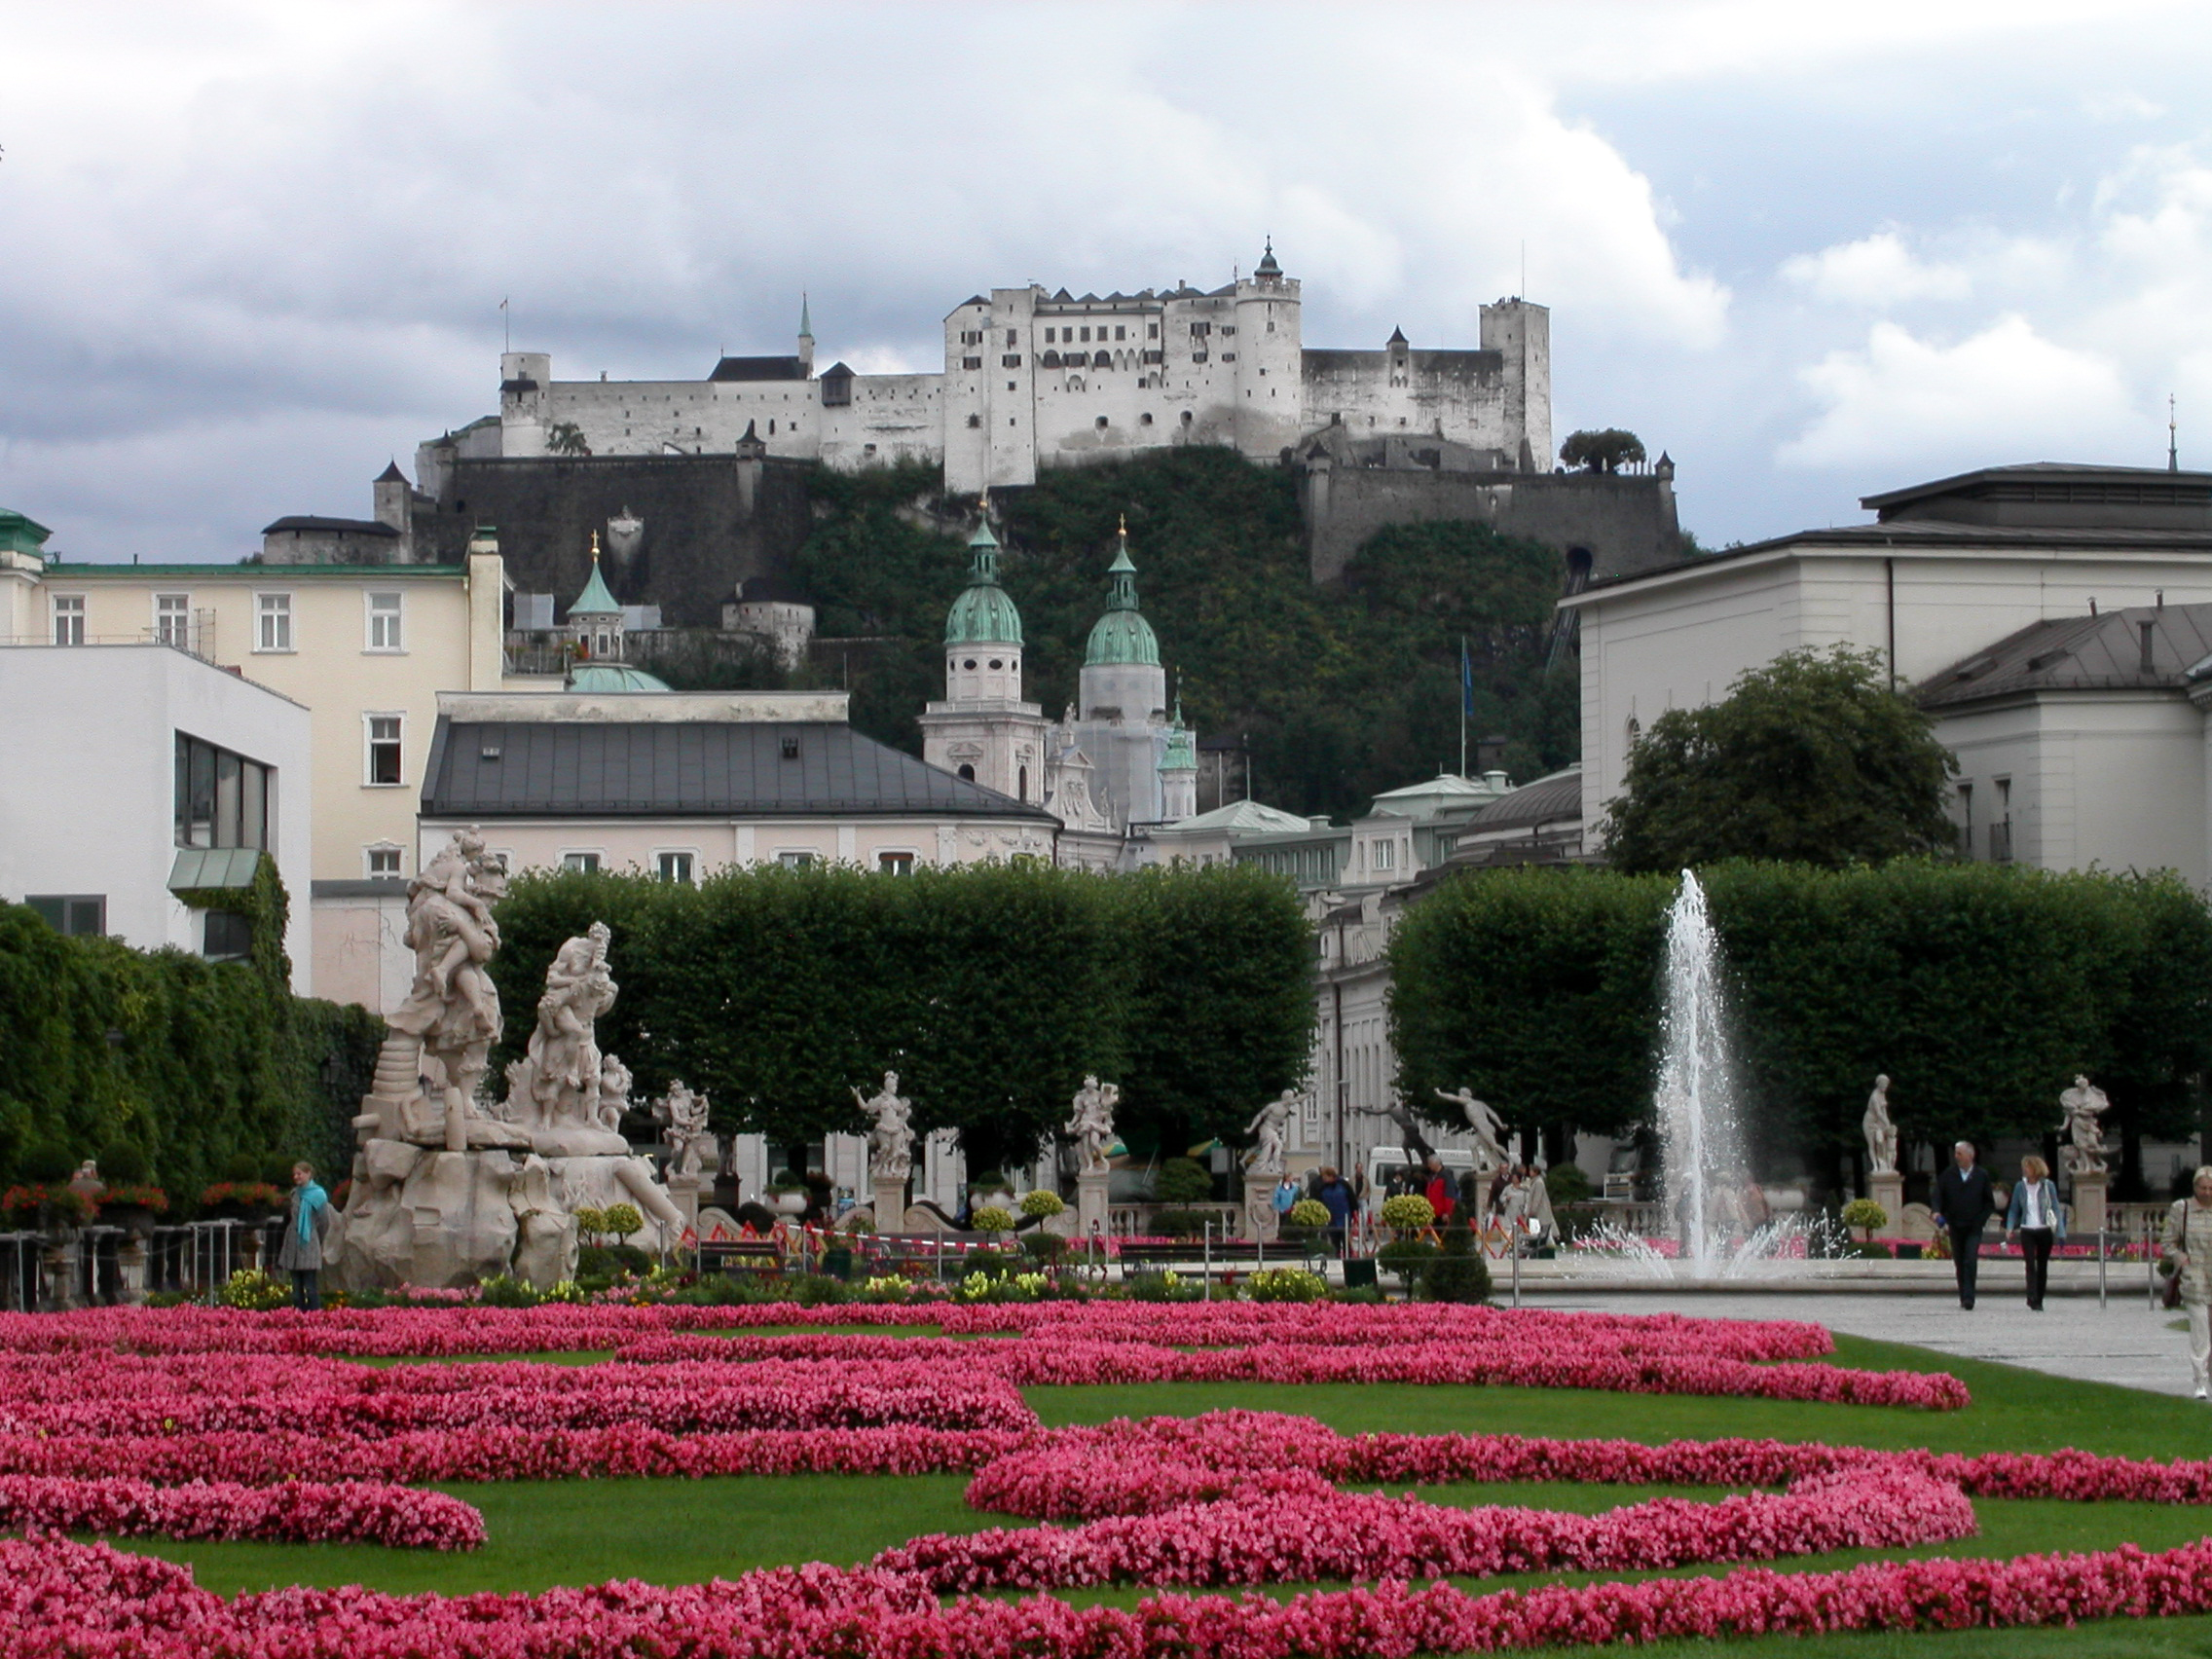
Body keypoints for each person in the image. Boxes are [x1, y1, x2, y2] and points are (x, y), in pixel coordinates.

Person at [2162, 1165, 2212, 1399]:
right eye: (2203, 1188)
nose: (2207, 1193)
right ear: (2195, 1188)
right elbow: (2168, 1242)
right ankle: (2200, 1379)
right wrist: (2179, 1258)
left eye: (2211, 1188)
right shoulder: (2181, 1209)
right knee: (2200, 1331)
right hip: (2195, 1279)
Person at [1933, 1140, 1996, 1309]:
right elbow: (1938, 1195)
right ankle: (1963, 1294)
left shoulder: (1981, 1175)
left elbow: (1989, 1203)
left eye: (1959, 1153)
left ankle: (1969, 1297)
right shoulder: (1948, 1174)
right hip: (1955, 1224)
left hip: (1974, 1226)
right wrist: (1937, 1212)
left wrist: (1980, 1220)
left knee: (1970, 1259)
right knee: (1960, 1262)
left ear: (1970, 1155)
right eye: (1956, 1153)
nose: (1956, 1157)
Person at [2004, 1154, 2063, 1311]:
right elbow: (2014, 1209)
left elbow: (2055, 1207)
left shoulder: (2048, 1186)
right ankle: (2031, 1296)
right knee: (2030, 1264)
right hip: (2027, 1229)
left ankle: (2040, 1298)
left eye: (2027, 1167)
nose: (2024, 1170)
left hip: (2044, 1230)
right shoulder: (2020, 1186)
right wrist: (2010, 1227)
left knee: (2042, 1265)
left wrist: (2061, 1231)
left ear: (2035, 1169)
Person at [276, 1161, 332, 1311]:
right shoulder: (294, 1194)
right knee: (295, 1287)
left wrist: (317, 1237)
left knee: (310, 1285)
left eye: (299, 1174)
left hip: (309, 1241)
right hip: (292, 1243)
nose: (296, 1177)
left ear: (308, 1174)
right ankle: (298, 1316)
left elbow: (324, 1221)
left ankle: (314, 1317)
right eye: (294, 1174)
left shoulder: (319, 1195)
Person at [1313, 1165, 1354, 1255]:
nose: (1323, 1179)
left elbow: (1352, 1199)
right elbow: (1319, 1201)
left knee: (1346, 1241)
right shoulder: (1323, 1188)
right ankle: (1336, 1259)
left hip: (1344, 1218)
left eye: (1325, 1177)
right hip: (1332, 1219)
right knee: (1335, 1242)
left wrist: (1353, 1213)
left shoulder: (1343, 1185)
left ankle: (1348, 1259)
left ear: (1331, 1176)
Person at [1422, 1154, 1456, 1224]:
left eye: (1430, 1164)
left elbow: (1449, 1194)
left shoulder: (1446, 1177)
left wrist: (1448, 1212)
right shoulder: (1432, 1176)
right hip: (1432, 1212)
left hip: (1441, 1214)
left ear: (1436, 1163)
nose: (1429, 1166)